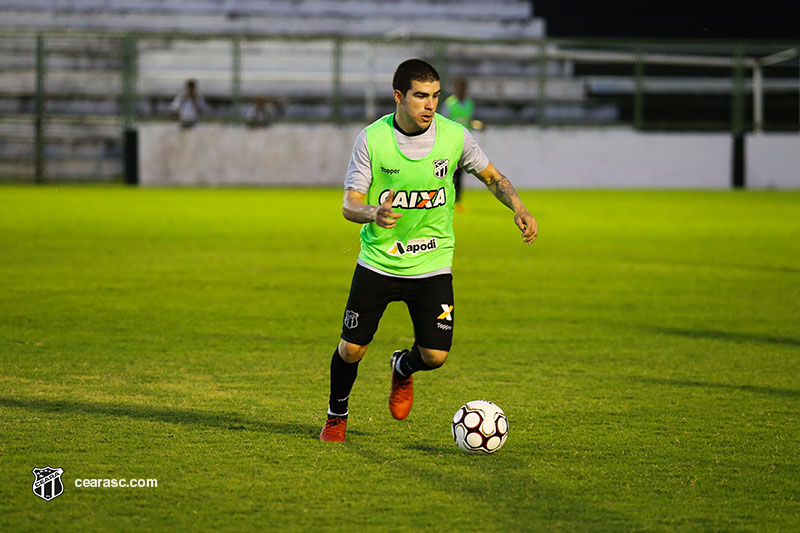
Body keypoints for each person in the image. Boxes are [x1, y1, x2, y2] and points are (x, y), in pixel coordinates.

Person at [320, 59, 537, 443]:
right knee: (352, 348)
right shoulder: (372, 139)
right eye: (421, 96)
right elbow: (349, 204)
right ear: (399, 97)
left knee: (435, 356)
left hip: (432, 262)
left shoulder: (455, 136)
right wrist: (374, 212)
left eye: (435, 96)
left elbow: (493, 178)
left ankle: (402, 366)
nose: (430, 105)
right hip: (379, 262)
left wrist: (518, 206)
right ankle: (337, 414)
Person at [441, 77, 478, 209]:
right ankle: (445, 199)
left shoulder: (469, 104)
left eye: (463, 88)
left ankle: (457, 201)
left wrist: (477, 125)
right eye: (459, 87)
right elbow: (443, 122)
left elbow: (468, 121)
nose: (461, 90)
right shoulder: (449, 104)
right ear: (455, 88)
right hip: (451, 143)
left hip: (464, 143)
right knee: (449, 172)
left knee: (461, 173)